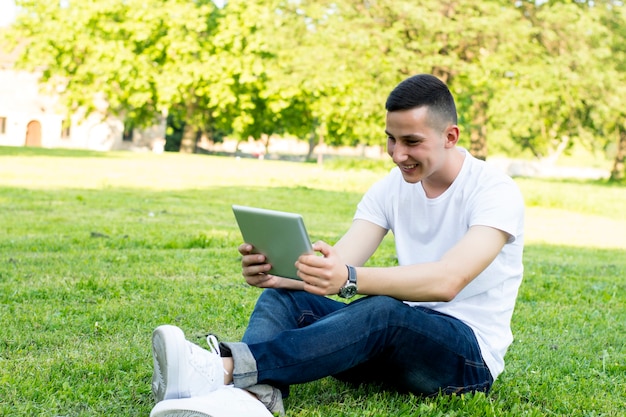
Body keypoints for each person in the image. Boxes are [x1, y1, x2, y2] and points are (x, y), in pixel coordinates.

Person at [148, 73, 525, 417]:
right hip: (392, 348)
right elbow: (341, 265)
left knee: (384, 310)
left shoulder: (494, 191)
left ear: (450, 136)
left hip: (465, 359)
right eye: (391, 140)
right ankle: (251, 401)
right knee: (286, 300)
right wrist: (282, 276)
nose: (398, 155)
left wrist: (347, 277)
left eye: (412, 142)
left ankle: (223, 369)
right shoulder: (390, 189)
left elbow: (448, 280)